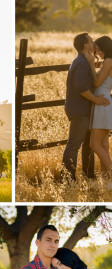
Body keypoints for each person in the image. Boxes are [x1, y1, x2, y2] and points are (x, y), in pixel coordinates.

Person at [63, 32, 110, 181]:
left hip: (93, 107)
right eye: (91, 42)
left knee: (92, 144)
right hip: (83, 108)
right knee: (80, 144)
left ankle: (89, 176)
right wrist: (95, 99)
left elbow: (94, 83)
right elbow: (82, 87)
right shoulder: (82, 62)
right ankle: (69, 179)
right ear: (85, 45)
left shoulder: (86, 61)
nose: (94, 45)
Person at [87, 36, 112, 183]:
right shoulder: (107, 62)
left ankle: (110, 171)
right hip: (104, 103)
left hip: (102, 105)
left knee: (94, 144)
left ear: (105, 47)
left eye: (98, 49)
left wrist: (91, 64)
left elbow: (96, 81)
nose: (97, 52)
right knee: (103, 145)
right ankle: (107, 182)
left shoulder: (108, 61)